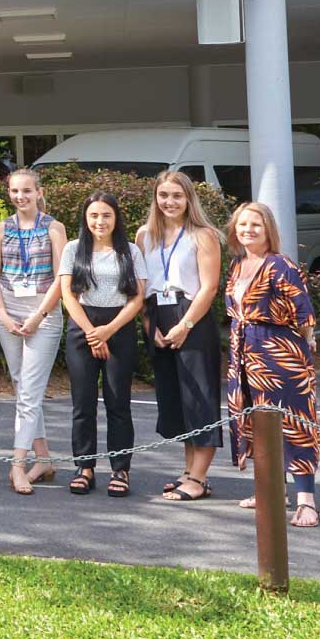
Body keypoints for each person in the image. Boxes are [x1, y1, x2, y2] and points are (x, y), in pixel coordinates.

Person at [224, 201, 320, 528]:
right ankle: (271, 491)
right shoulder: (238, 264)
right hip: (243, 355)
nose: (247, 230)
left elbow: (304, 314)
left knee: (295, 426)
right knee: (256, 423)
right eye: (242, 224)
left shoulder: (281, 265)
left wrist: (305, 345)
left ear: (268, 230)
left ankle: (306, 501)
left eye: (256, 225)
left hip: (281, 355)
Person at [139, 171, 225, 503]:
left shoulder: (203, 235)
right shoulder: (144, 236)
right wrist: (151, 327)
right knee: (176, 398)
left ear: (189, 199)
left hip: (192, 317)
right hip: (158, 317)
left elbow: (209, 288)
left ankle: (199, 477)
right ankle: (188, 471)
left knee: (199, 397)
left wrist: (185, 325)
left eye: (177, 195)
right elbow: (142, 288)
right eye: (164, 195)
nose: (169, 202)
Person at [58, 191, 147, 498]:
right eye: (94, 215)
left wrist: (107, 331)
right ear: (85, 217)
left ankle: (120, 469)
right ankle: (84, 467)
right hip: (82, 327)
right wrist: (91, 332)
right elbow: (68, 294)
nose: (100, 221)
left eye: (106, 215)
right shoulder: (72, 249)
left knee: (118, 403)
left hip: (118, 326)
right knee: (82, 404)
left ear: (116, 218)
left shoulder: (130, 252)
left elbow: (137, 297)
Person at [0, 168, 66, 495]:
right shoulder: (0, 229)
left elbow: (63, 277)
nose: (20, 197)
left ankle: (18, 465)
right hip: (9, 311)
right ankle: (43, 458)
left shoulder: (54, 228)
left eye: (26, 191)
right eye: (15, 191)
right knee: (22, 386)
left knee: (30, 389)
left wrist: (39, 315)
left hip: (43, 312)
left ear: (38, 192)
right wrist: (3, 313)